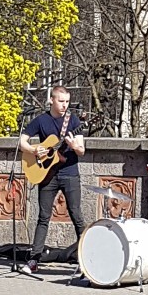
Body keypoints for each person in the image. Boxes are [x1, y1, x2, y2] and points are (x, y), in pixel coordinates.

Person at [19, 85, 87, 275]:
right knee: (43, 217)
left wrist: (75, 146)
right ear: (51, 100)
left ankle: (85, 259)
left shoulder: (73, 120)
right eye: (61, 101)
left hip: (70, 173)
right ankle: (34, 260)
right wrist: (34, 150)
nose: (65, 105)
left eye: (67, 102)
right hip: (47, 174)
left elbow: (82, 150)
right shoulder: (41, 120)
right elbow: (22, 141)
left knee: (76, 215)